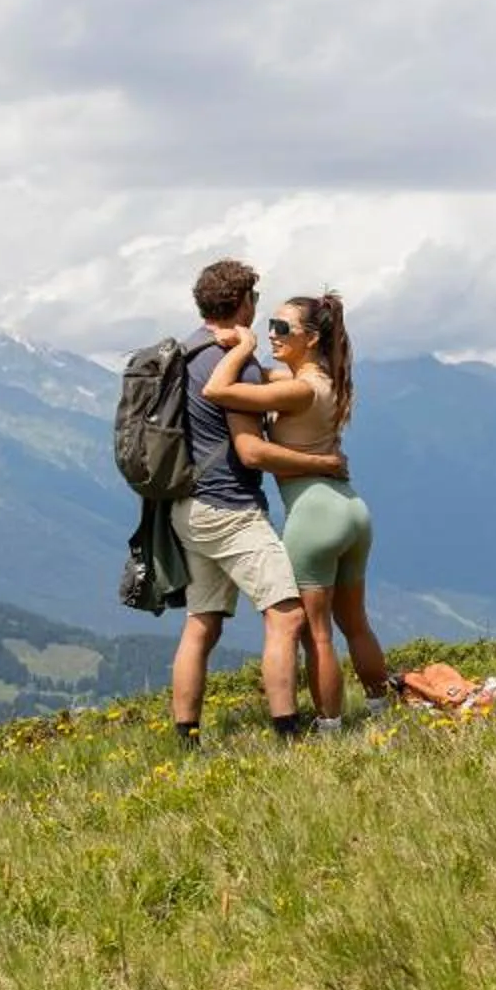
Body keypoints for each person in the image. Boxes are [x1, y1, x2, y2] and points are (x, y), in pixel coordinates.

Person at [168, 259, 348, 743]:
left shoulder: (187, 350)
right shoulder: (235, 361)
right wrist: (323, 464)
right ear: (242, 302)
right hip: (230, 508)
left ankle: (186, 737)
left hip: (186, 506)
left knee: (201, 623)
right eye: (256, 303)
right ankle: (288, 733)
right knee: (287, 616)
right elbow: (249, 450)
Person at [203, 289, 393, 728]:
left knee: (317, 633)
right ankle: (382, 709)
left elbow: (217, 390)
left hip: (313, 515)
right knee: (356, 623)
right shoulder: (326, 379)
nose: (271, 334)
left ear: (309, 338)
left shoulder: (298, 390)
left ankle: (330, 727)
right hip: (351, 511)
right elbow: (266, 379)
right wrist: (253, 356)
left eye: (282, 328)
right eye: (268, 325)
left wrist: (244, 347)